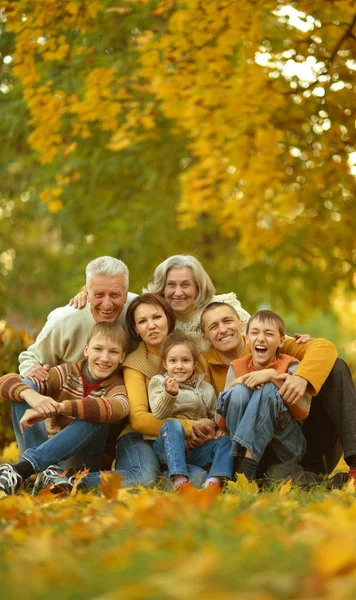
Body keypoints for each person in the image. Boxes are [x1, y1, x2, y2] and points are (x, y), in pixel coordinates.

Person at [199, 302, 356, 482]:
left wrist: (295, 378)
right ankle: (320, 482)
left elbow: (325, 348)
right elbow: (219, 420)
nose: (223, 329)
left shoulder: (285, 354)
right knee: (274, 476)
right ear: (206, 337)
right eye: (214, 326)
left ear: (240, 325)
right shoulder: (203, 365)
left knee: (334, 366)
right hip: (260, 458)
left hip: (294, 445)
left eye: (227, 321)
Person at [82, 294, 216, 489]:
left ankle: (162, 478)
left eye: (156, 317)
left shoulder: (192, 353)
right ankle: (67, 480)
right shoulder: (134, 363)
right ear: (136, 329)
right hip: (138, 439)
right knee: (143, 477)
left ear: (169, 319)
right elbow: (138, 419)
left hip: (182, 444)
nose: (151, 325)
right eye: (142, 321)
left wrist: (207, 429)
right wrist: (191, 426)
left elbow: (206, 399)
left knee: (196, 479)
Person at [0, 322, 129, 495]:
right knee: (23, 388)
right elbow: (6, 383)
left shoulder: (118, 386)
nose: (104, 358)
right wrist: (34, 397)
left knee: (98, 416)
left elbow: (118, 408)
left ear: (122, 357)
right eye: (98, 349)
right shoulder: (67, 373)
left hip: (79, 463)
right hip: (42, 448)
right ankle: (43, 474)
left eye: (113, 352)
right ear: (86, 350)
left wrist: (58, 408)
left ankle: (25, 469)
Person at [70, 254, 251, 351]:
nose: (178, 292)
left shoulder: (225, 309)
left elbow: (265, 338)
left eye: (186, 285)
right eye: (171, 285)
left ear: (198, 287)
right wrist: (87, 295)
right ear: (162, 288)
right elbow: (115, 296)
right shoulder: (154, 314)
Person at [217, 310, 308, 481]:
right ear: (247, 338)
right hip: (251, 452)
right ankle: (246, 467)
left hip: (285, 447)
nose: (260, 338)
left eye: (269, 333)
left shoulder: (291, 364)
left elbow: (304, 410)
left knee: (267, 390)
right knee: (238, 391)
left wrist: (273, 377)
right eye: (255, 332)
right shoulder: (236, 367)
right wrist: (240, 382)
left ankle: (245, 468)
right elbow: (220, 421)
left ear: (281, 341)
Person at [19, 256, 137, 382]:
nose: (107, 304)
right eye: (99, 294)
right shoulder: (64, 322)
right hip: (68, 396)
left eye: (115, 295)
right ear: (87, 293)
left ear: (125, 294)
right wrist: (34, 370)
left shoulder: (139, 310)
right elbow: (31, 358)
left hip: (120, 394)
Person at [148, 331, 233, 489]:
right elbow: (159, 413)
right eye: (173, 361)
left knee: (227, 441)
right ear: (165, 364)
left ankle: (214, 481)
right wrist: (170, 394)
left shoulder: (206, 389)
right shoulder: (159, 382)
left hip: (194, 451)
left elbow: (214, 417)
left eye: (185, 360)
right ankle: (179, 479)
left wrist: (217, 430)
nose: (179, 366)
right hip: (166, 448)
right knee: (173, 425)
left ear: (194, 364)